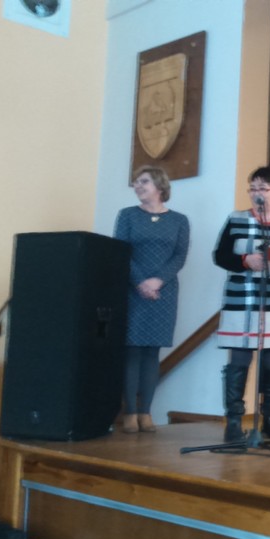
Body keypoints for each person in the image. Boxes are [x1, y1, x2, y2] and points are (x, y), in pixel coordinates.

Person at [214, 166, 270, 444]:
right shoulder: (236, 219)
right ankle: (233, 422)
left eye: (263, 189)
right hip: (242, 300)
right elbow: (219, 256)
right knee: (239, 360)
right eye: (253, 188)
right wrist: (245, 261)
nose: (257, 194)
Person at [113, 166, 190, 433]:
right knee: (132, 350)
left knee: (152, 352)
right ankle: (129, 413)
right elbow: (120, 251)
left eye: (143, 181)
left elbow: (179, 256)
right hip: (132, 290)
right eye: (136, 182)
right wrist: (141, 282)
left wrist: (157, 281)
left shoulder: (179, 220)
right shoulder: (127, 215)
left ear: (159, 185)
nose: (137, 185)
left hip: (164, 292)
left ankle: (146, 412)